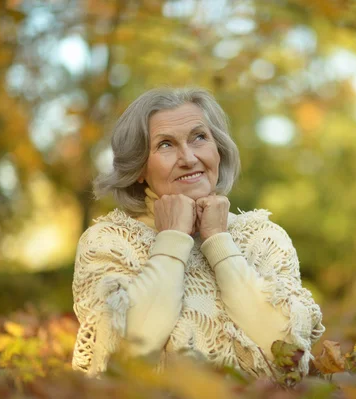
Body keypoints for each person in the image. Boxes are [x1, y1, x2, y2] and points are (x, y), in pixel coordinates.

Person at [71, 87, 325, 378]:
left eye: (199, 137)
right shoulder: (110, 241)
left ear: (218, 149)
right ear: (139, 168)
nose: (189, 158)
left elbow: (287, 354)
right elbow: (124, 360)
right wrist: (172, 240)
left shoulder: (263, 237)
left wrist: (218, 241)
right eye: (166, 145)